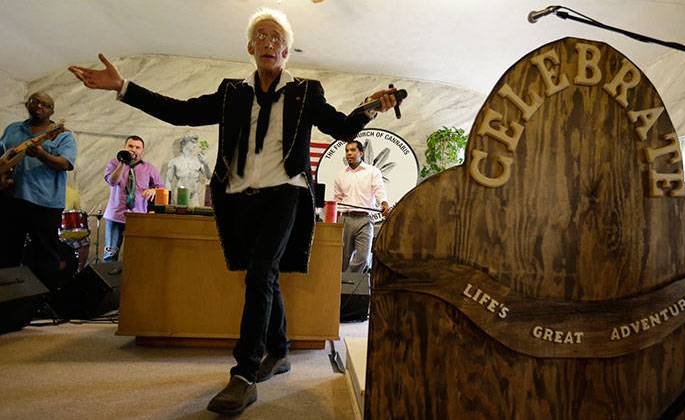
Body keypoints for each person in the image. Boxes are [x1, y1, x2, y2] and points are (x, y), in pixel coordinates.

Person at [69, 7, 398, 415]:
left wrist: (370, 109)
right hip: (240, 199)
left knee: (261, 273)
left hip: (286, 194)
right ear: (249, 47)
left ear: (287, 52)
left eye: (277, 39)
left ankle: (243, 373)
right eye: (262, 35)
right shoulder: (232, 92)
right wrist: (124, 87)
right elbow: (181, 112)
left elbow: (342, 129)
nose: (269, 43)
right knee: (264, 276)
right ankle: (278, 352)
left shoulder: (306, 92)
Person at [0, 92, 77, 290]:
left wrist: (42, 154)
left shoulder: (63, 135)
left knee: (45, 256)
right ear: (27, 104)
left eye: (45, 104)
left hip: (45, 203)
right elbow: (3, 159)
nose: (39, 107)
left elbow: (66, 164)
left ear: (52, 110)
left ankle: (43, 301)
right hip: (12, 200)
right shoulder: (12, 129)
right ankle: (8, 302)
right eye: (34, 102)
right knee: (7, 253)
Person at [102, 135, 163, 261]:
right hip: (115, 216)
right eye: (130, 146)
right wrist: (122, 163)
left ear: (142, 150)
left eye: (137, 147)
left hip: (138, 217)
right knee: (110, 255)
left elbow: (161, 189)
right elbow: (112, 181)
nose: (134, 149)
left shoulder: (149, 168)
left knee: (136, 256)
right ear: (125, 147)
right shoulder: (114, 163)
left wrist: (153, 190)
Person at [334, 139, 390, 272]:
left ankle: (349, 282)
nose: (349, 153)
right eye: (347, 151)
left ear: (361, 153)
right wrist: (334, 220)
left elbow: (379, 190)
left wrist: (384, 203)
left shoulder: (372, 171)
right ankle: (341, 288)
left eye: (353, 150)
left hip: (365, 220)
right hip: (345, 219)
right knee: (343, 258)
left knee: (363, 258)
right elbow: (337, 199)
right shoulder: (340, 175)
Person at [164, 134, 211, 206]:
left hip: (194, 195)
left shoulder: (198, 160)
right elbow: (168, 181)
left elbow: (209, 176)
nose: (195, 144)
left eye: (196, 142)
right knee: (180, 216)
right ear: (184, 143)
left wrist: (206, 164)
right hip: (179, 194)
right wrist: (167, 200)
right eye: (192, 142)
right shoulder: (174, 161)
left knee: (195, 216)